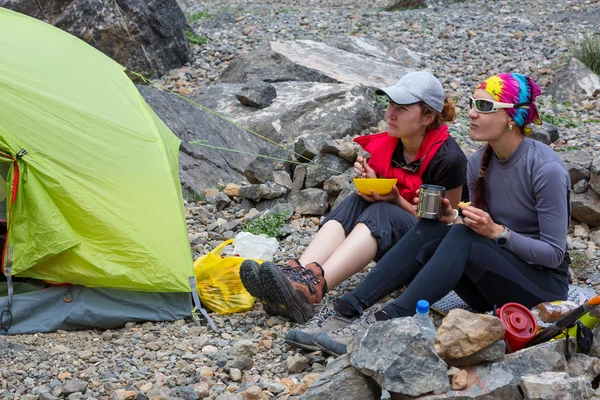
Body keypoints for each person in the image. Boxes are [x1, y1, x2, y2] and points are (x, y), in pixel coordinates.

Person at [293, 72, 572, 356]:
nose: (473, 114)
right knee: (435, 225)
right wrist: (453, 218)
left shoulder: (545, 169)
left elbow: (553, 254)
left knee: (463, 236)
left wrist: (497, 233)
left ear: (513, 117)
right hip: (489, 287)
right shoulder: (478, 163)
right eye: (473, 103)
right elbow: (479, 234)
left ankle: (381, 324)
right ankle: (347, 310)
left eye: (485, 107)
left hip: (540, 291)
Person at [240, 71, 468, 324]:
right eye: (391, 104)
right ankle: (300, 274)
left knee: (384, 211)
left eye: (402, 108)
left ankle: (315, 289)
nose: (390, 113)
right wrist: (374, 179)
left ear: (428, 116)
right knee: (359, 200)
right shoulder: (393, 144)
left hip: (427, 255)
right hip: (397, 239)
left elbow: (443, 227)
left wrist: (394, 200)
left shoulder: (448, 159)